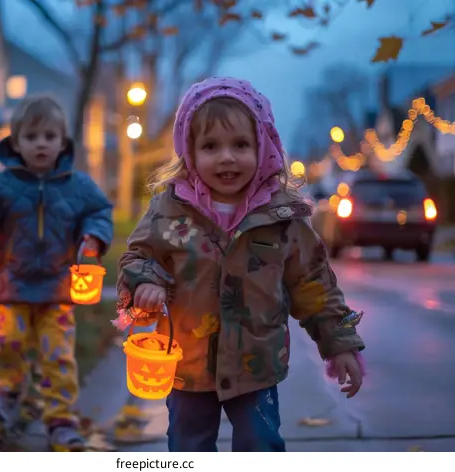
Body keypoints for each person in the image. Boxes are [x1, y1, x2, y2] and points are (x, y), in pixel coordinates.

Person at [114, 77, 365, 452]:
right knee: (188, 445)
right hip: (188, 366)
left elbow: (314, 285)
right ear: (189, 150)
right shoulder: (169, 209)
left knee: (259, 444)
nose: (227, 157)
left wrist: (340, 344)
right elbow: (137, 256)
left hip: (256, 366)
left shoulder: (282, 217)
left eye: (241, 145)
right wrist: (147, 281)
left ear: (262, 147)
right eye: (211, 146)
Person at [0, 94, 113, 451]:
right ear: (16, 142)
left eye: (49, 137)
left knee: (57, 355)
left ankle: (60, 418)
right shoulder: (2, 186)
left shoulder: (78, 186)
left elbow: (99, 212)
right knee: (10, 345)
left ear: (62, 141)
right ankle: (8, 396)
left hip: (58, 289)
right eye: (32, 137)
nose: (41, 144)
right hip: (13, 287)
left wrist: (94, 236)